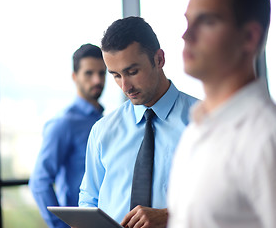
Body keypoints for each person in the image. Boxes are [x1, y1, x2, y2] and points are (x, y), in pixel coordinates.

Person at [167, 0, 276, 228]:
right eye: (188, 21)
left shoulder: (273, 139)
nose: (186, 35)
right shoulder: (196, 130)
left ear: (249, 38)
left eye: (208, 21)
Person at [78, 16, 197, 228]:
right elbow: (89, 197)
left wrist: (169, 215)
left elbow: (229, 201)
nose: (125, 86)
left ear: (159, 59)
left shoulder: (204, 124)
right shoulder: (102, 131)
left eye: (132, 72)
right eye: (115, 75)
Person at [29, 44, 106, 228]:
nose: (97, 80)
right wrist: (62, 226)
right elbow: (40, 182)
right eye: (89, 73)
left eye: (102, 73)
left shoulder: (104, 121)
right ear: (74, 77)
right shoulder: (64, 123)